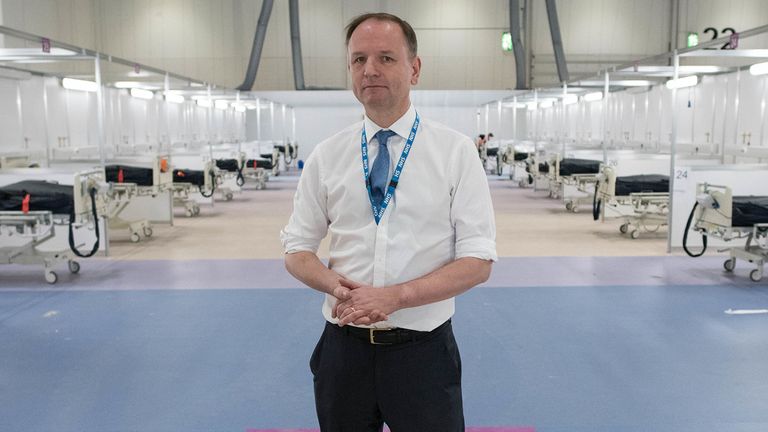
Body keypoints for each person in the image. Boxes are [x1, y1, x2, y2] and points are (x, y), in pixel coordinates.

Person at [281, 12, 496, 432]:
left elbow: (478, 260)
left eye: (386, 58)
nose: (370, 70)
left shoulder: (455, 153)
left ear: (414, 68)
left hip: (423, 354)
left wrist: (395, 297)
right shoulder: (327, 156)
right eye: (358, 60)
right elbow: (296, 250)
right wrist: (337, 287)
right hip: (344, 354)